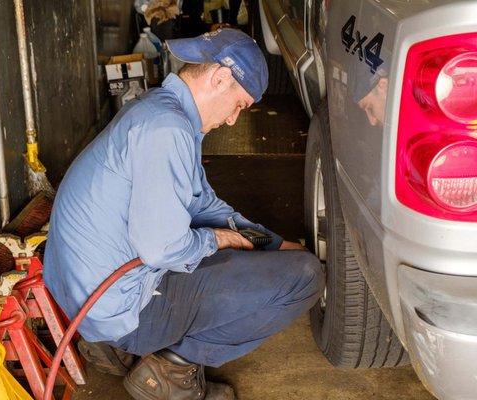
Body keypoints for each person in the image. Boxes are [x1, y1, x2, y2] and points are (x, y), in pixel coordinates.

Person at [43, 29, 324, 400]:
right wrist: (220, 239)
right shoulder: (167, 129)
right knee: (304, 277)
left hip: (89, 298)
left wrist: (269, 241)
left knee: (234, 251)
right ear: (220, 77)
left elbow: (202, 204)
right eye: (239, 105)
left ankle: (113, 349)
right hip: (118, 308)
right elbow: (163, 248)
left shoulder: (159, 111)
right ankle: (172, 371)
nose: (232, 121)